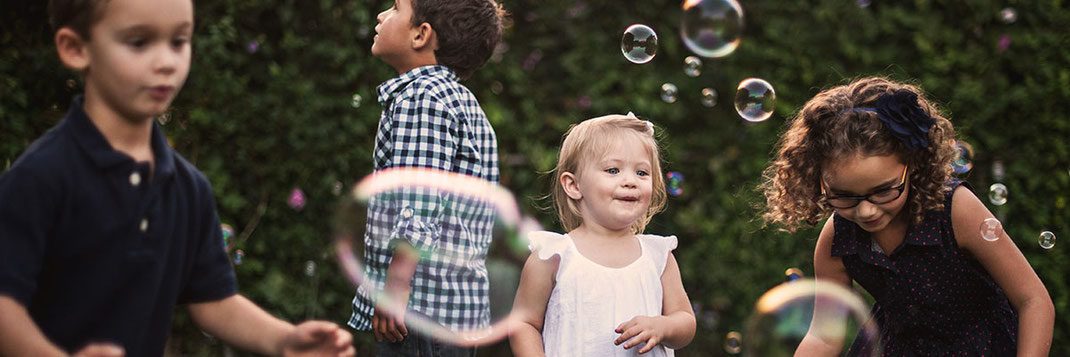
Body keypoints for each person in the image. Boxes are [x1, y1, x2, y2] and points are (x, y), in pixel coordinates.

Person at [0, 0, 354, 355]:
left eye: (179, 41)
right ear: (76, 49)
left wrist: (284, 340)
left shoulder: (188, 188)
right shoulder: (41, 177)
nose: (167, 62)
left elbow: (215, 301)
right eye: (139, 42)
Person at [759, 77, 1054, 355]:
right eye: (844, 195)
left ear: (912, 164)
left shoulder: (955, 210)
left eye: (884, 190)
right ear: (817, 179)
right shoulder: (838, 239)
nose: (866, 210)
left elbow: (1033, 300)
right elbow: (824, 336)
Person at [347, 0, 505, 354]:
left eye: (394, 8)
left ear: (421, 34)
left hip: (418, 310)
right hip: (451, 310)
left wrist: (398, 284)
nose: (381, 15)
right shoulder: (462, 102)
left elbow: (420, 199)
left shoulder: (422, 98)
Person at [509, 114, 696, 356]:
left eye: (642, 173)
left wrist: (663, 326)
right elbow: (524, 324)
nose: (630, 181)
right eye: (613, 170)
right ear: (574, 186)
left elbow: (686, 321)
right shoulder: (553, 256)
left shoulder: (658, 256)